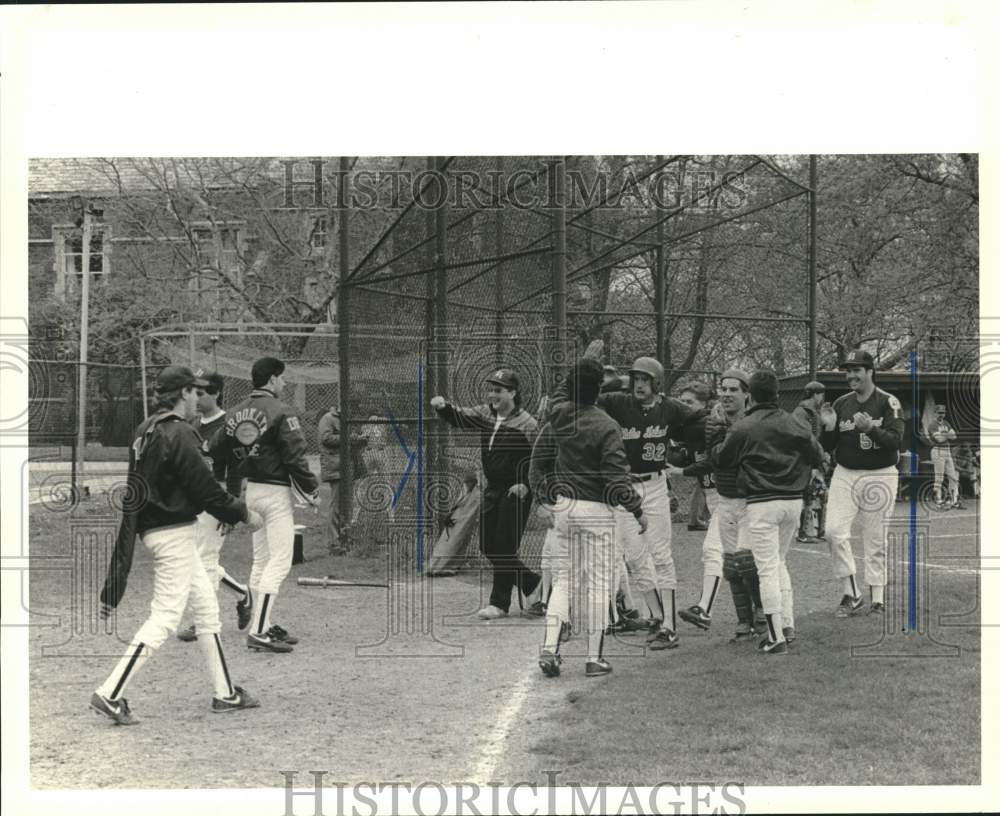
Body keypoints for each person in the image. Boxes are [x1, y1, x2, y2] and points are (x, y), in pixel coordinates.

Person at [92, 366, 263, 725]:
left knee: (206, 610)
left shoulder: (146, 429)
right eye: (194, 391)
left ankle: (225, 693)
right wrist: (243, 513)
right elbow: (205, 488)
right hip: (171, 531)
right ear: (183, 393)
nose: (198, 397)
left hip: (164, 529)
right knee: (166, 617)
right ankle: (110, 693)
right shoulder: (179, 432)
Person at [558, 342, 706, 650]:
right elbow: (580, 398)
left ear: (656, 383)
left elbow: (699, 420)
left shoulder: (670, 407)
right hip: (626, 488)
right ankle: (656, 615)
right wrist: (591, 368)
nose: (639, 384)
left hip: (654, 486)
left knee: (661, 555)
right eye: (636, 379)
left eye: (645, 379)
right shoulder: (617, 402)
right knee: (636, 558)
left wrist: (685, 451)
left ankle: (669, 627)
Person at [533, 357, 648, 678]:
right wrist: (637, 509)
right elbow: (616, 480)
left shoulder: (559, 414)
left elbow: (559, 394)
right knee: (598, 585)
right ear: (599, 389)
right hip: (596, 509)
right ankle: (593, 658)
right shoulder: (606, 425)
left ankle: (550, 647)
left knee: (564, 580)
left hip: (565, 506)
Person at [712, 370, 824, 654]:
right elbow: (817, 455)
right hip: (793, 501)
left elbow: (723, 459)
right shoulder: (795, 421)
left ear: (750, 394)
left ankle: (775, 637)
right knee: (779, 562)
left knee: (766, 569)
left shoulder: (744, 426)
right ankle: (786, 626)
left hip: (762, 501)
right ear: (776, 394)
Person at [214, 357, 320, 652]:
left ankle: (264, 622)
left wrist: (229, 493)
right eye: (282, 378)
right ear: (272, 379)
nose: (284, 383)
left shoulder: (234, 413)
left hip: (251, 491)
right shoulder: (281, 411)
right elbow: (295, 456)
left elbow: (217, 452)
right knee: (281, 561)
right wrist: (311, 489)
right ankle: (259, 629)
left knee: (261, 560)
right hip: (274, 492)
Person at [431, 368, 544, 620]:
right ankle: (533, 583)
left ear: (512, 393)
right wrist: (443, 408)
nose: (492, 395)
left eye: (499, 390)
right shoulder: (485, 414)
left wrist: (526, 484)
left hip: (516, 492)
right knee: (488, 545)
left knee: (504, 547)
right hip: (493, 490)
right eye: (490, 389)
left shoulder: (528, 423)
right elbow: (460, 417)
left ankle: (499, 604)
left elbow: (538, 459)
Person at [670, 368, 763, 637]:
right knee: (731, 560)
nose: (684, 407)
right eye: (725, 389)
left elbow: (713, 457)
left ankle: (710, 608)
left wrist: (683, 470)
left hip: (744, 498)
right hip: (721, 496)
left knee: (730, 555)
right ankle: (748, 617)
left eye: (689, 402)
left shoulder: (711, 423)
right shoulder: (701, 426)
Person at [820, 349, 904, 617]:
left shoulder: (888, 402)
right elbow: (827, 447)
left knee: (875, 538)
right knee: (833, 531)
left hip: (881, 473)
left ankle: (877, 598)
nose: (851, 375)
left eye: (856, 370)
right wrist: (829, 428)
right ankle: (852, 591)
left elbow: (895, 442)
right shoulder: (842, 403)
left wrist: (871, 429)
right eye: (848, 370)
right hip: (846, 473)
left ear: (870, 372)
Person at [176, 371, 253, 642]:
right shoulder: (194, 423)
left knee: (206, 560)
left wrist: (231, 507)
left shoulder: (229, 425)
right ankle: (243, 593)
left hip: (217, 498)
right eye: (194, 392)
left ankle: (202, 622)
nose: (197, 397)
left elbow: (236, 468)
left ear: (217, 393)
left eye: (203, 392)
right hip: (194, 500)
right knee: (194, 560)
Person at [318, 402, 368, 554]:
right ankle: (334, 543)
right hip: (336, 467)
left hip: (349, 466)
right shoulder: (328, 418)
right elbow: (326, 438)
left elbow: (349, 441)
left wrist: (360, 440)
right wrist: (349, 437)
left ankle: (345, 537)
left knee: (347, 504)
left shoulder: (347, 419)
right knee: (336, 505)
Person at [793, 381, 829, 542]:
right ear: (815, 394)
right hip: (806, 462)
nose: (822, 398)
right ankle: (805, 533)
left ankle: (817, 531)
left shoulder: (811, 412)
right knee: (810, 495)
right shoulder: (804, 412)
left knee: (818, 495)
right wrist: (818, 460)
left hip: (810, 460)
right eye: (821, 394)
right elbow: (808, 440)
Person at [678, 383, 714, 531]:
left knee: (704, 488)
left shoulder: (704, 420)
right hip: (702, 461)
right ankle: (697, 519)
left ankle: (697, 518)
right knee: (705, 487)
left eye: (690, 402)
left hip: (707, 462)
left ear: (703, 404)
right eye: (682, 402)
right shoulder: (693, 421)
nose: (685, 405)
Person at [927, 403, 963, 509]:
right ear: (935, 413)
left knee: (953, 476)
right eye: (939, 413)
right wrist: (948, 434)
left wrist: (944, 434)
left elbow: (955, 436)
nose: (941, 415)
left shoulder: (946, 423)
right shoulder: (932, 425)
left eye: (943, 413)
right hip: (937, 450)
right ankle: (938, 500)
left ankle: (954, 500)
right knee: (939, 477)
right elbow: (939, 439)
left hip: (947, 451)